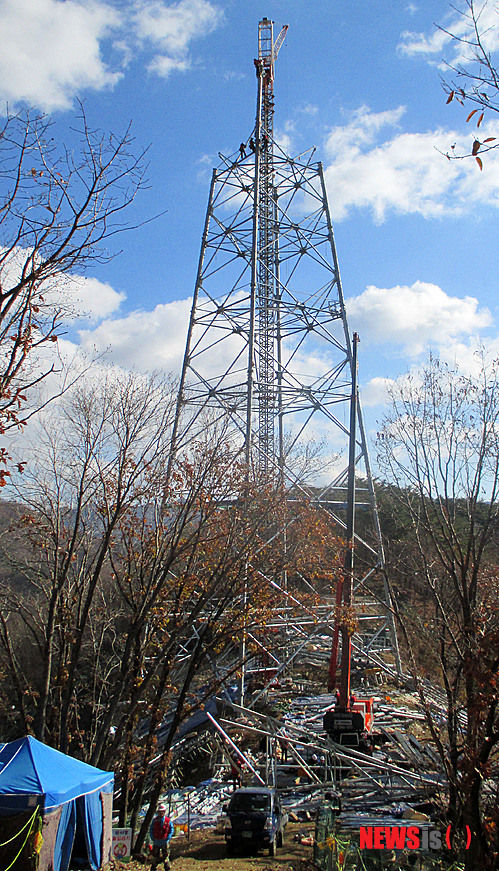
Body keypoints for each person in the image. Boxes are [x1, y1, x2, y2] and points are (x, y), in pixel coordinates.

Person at [150, 804, 174, 871]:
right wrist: (152, 837)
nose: (161, 813)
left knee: (166, 856)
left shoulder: (168, 820)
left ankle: (167, 867)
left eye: (162, 812)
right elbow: (151, 829)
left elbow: (171, 829)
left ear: (164, 812)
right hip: (156, 841)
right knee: (155, 856)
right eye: (160, 812)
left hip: (165, 841)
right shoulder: (155, 820)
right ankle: (153, 868)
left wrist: (169, 836)